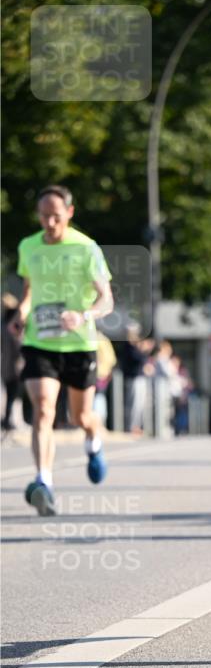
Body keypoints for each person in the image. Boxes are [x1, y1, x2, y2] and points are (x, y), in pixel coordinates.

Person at [8, 185, 113, 516]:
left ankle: (93, 441)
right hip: (41, 342)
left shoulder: (86, 248)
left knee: (79, 416)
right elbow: (28, 290)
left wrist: (82, 316)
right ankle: (44, 481)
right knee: (43, 409)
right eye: (44, 216)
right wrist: (22, 313)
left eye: (56, 216)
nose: (50, 223)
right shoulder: (28, 246)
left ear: (70, 213)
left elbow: (106, 300)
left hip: (79, 344)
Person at [2, 293, 24, 431]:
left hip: (6, 364)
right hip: (15, 364)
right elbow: (19, 344)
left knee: (11, 393)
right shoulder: (15, 324)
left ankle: (8, 419)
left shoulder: (4, 323)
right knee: (14, 393)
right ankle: (9, 420)